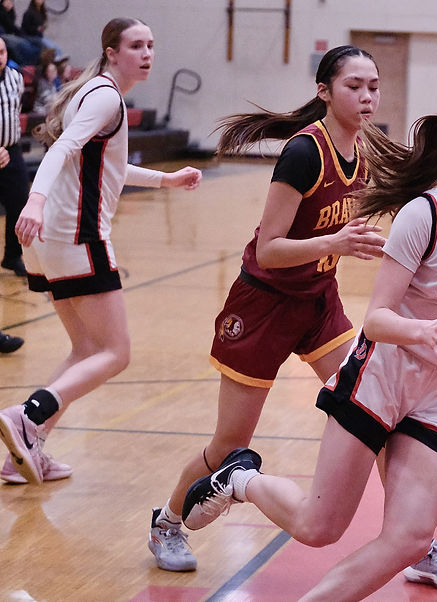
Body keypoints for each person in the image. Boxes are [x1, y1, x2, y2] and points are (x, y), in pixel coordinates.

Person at [180, 101, 437, 600]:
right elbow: (376, 318)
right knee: (318, 527)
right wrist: (427, 334)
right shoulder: (427, 214)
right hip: (381, 377)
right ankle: (241, 478)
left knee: (411, 538)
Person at [146, 44, 389, 573]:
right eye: (354, 86)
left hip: (319, 303)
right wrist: (335, 245)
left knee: (373, 411)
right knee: (230, 443)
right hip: (263, 307)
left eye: (373, 85)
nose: (367, 96)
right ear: (324, 91)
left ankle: (412, 538)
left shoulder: (363, 149)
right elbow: (269, 249)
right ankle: (166, 522)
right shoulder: (304, 153)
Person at [0, 18, 202, 486]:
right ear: (112, 52)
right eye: (136, 45)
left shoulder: (93, 90)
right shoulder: (106, 95)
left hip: (50, 241)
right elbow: (64, 148)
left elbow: (106, 166)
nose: (147, 53)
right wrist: (35, 198)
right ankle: (28, 415)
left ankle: (25, 450)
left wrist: (165, 179)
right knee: (116, 352)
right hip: (77, 235)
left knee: (87, 349)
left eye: (151, 45)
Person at [0, 36, 28, 277]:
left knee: (19, 204)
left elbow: (15, 112)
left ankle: (12, 256)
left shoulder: (16, 79)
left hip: (12, 151)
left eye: (2, 52)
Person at [0, 0, 40, 66]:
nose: (9, 4)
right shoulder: (1, 11)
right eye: (7, 1)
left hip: (10, 34)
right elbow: (9, 25)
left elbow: (12, 25)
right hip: (3, 36)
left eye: (11, 2)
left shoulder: (10, 12)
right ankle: (27, 63)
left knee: (35, 42)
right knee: (20, 43)